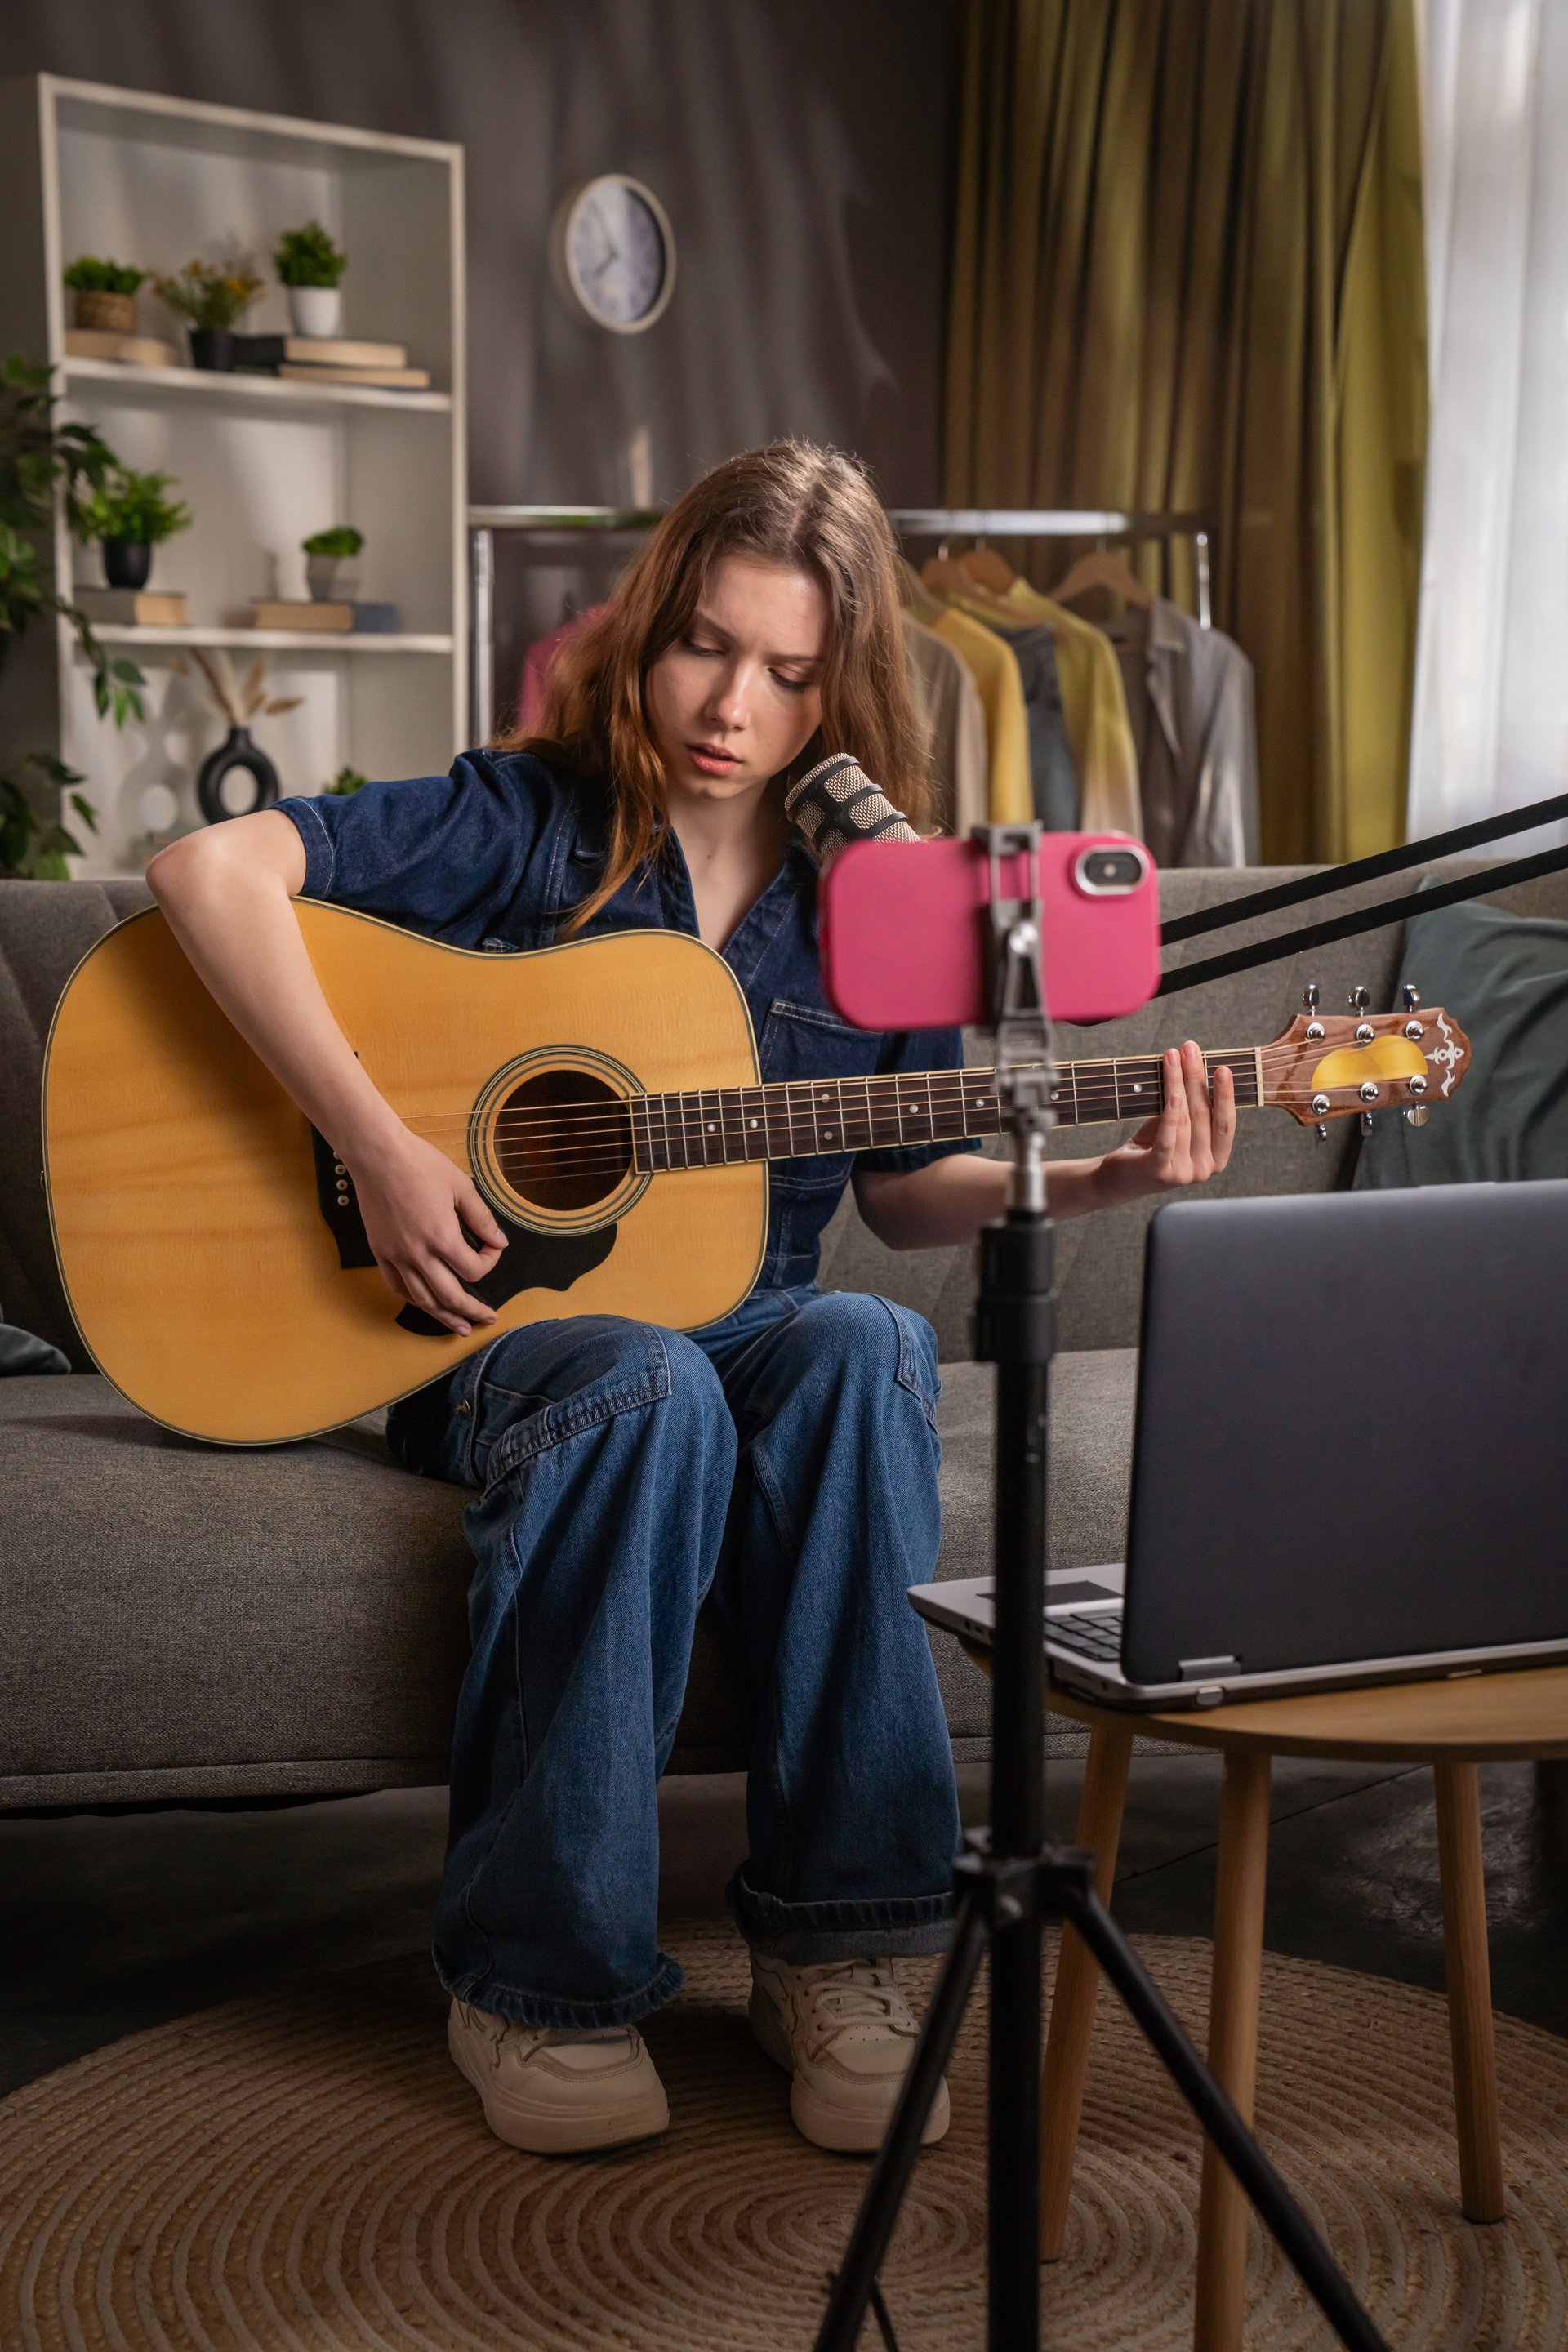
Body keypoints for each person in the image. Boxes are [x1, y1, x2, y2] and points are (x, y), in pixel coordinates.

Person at [148, 440, 1234, 2161]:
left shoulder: (874, 908)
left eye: (790, 671)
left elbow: (901, 1184)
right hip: (499, 1345)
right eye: (704, 646)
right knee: (646, 1378)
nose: (731, 703)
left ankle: (846, 1950)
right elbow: (206, 878)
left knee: (868, 1337)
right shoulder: (523, 819)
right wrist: (378, 1144)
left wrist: (1100, 1185)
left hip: (753, 1325)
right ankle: (534, 1978)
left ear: (841, 686)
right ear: (649, 631)